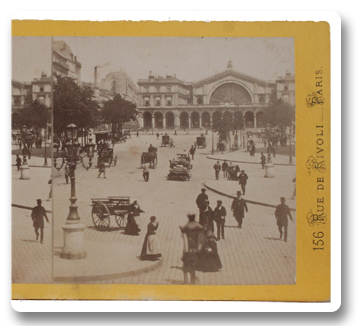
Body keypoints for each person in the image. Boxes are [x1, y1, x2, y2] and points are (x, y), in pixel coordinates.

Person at [180, 214, 204, 284]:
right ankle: (192, 282)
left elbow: (185, 243)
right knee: (192, 268)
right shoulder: (197, 227)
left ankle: (186, 282)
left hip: (187, 253)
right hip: (194, 252)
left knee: (185, 268)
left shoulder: (187, 228)